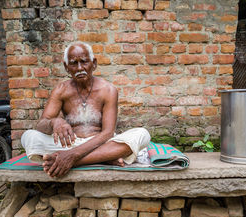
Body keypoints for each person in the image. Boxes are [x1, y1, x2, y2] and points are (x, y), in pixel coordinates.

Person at [21, 41, 150, 178]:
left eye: (84, 62)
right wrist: (54, 122)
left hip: (100, 143)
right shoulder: (61, 90)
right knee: (28, 137)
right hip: (71, 144)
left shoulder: (108, 90)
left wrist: (72, 156)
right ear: (66, 67)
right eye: (73, 63)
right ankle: (104, 159)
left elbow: (107, 133)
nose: (79, 68)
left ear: (94, 63)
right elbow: (41, 125)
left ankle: (72, 161)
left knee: (142, 134)